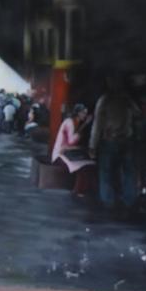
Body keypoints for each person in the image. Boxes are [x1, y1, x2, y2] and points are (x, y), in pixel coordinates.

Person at [90, 76, 139, 208]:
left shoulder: (104, 100)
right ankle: (129, 200)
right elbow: (137, 113)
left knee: (106, 172)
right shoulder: (127, 99)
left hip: (109, 140)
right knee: (129, 171)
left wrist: (92, 145)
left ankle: (108, 201)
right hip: (127, 140)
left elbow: (97, 125)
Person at [52, 103, 94, 196]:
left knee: (86, 164)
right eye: (83, 112)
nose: (85, 115)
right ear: (78, 113)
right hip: (61, 153)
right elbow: (71, 141)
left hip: (67, 151)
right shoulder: (70, 122)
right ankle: (77, 191)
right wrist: (85, 125)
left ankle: (79, 190)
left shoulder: (74, 122)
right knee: (82, 167)